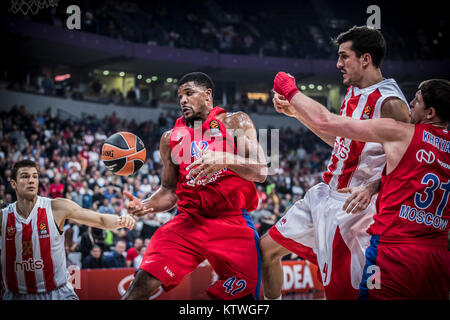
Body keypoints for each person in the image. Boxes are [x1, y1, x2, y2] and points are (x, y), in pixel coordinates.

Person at [259, 26, 411, 300]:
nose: (338, 63)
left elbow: (409, 167)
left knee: (341, 292)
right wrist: (296, 115)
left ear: (365, 59)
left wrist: (373, 187)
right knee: (266, 249)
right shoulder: (353, 91)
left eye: (344, 56)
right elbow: (343, 143)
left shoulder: (391, 103)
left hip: (353, 209)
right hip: (323, 194)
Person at [272, 74, 449, 299]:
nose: (410, 104)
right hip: (437, 255)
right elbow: (406, 176)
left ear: (430, 113)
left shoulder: (402, 132)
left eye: (417, 100)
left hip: (393, 253)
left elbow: (328, 122)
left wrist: (290, 91)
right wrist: (372, 187)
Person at [122, 72, 267, 300]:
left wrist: (226, 160)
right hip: (189, 221)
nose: (182, 101)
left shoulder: (234, 122)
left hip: (231, 221)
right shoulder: (170, 138)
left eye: (189, 93)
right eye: (180, 96)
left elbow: (261, 171)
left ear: (208, 95)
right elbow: (169, 192)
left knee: (245, 301)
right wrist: (146, 205)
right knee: (138, 289)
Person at [1, 159, 136, 300]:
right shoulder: (3, 216)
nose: (31, 180)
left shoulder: (56, 207)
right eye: (25, 176)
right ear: (13, 184)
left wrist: (121, 220)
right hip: (17, 295)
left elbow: (100, 220)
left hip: (57, 293)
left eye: (35, 176)